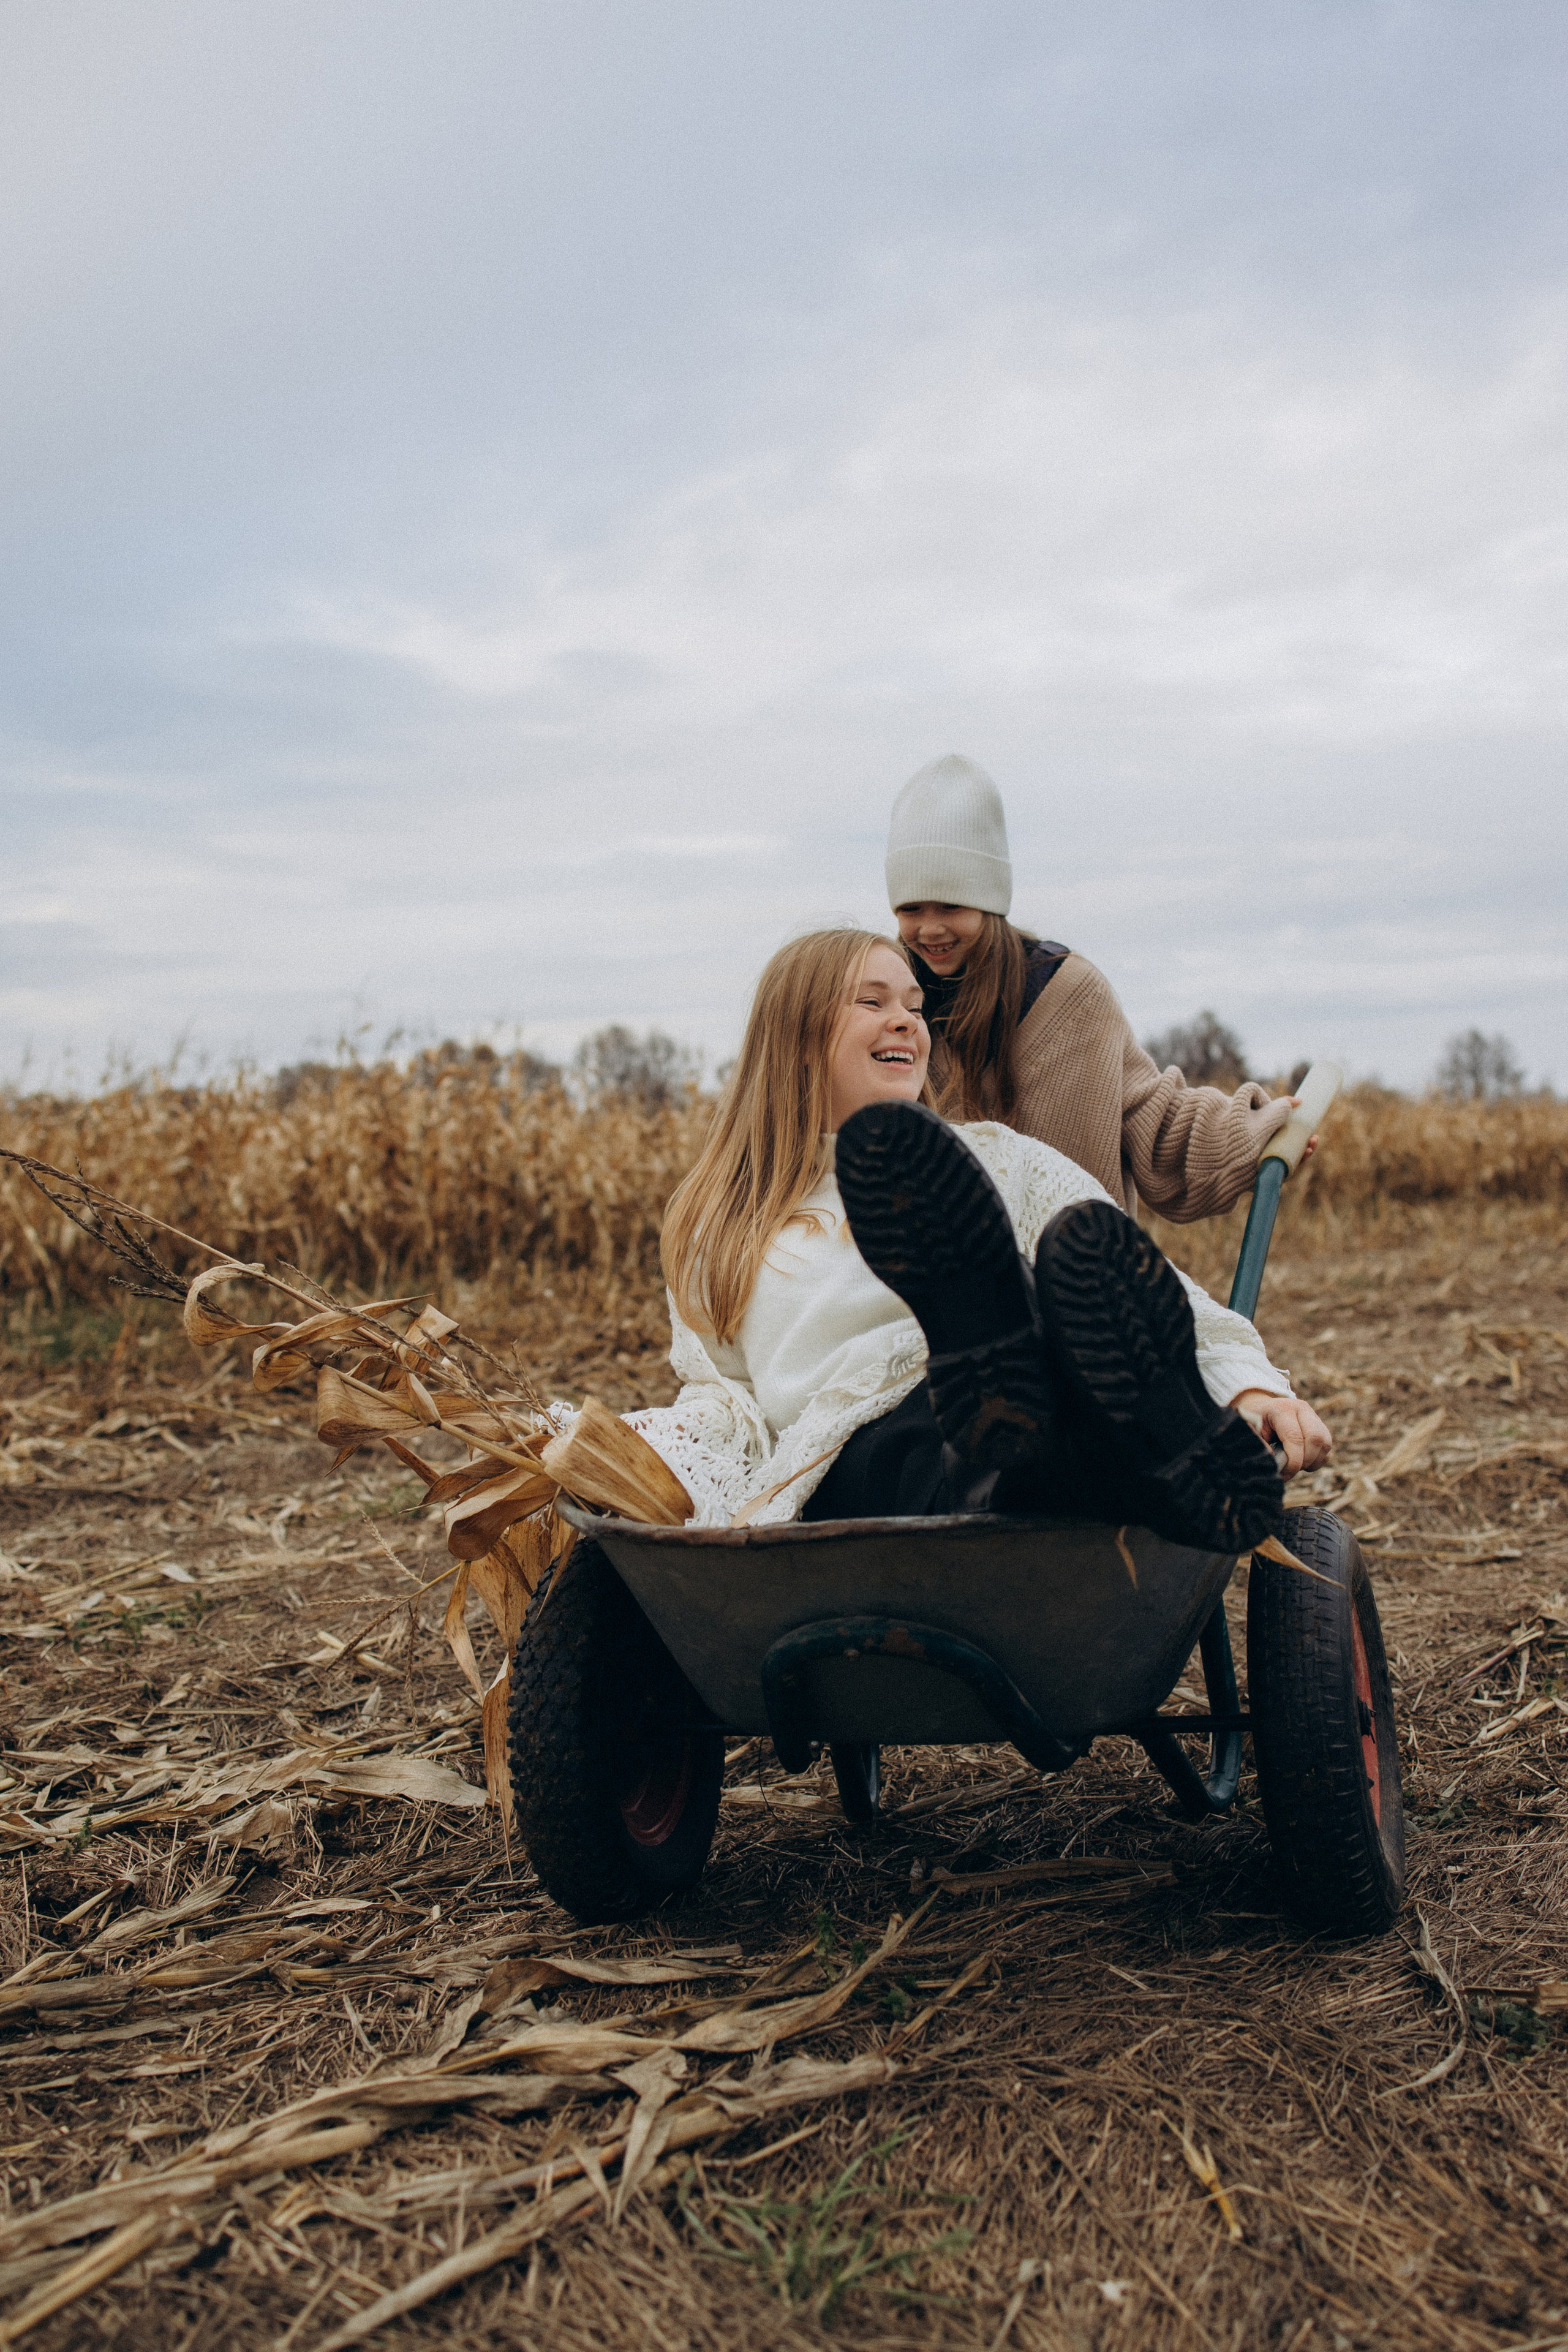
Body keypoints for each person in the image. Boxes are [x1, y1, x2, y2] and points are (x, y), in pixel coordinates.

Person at [626, 928, 1329, 1540]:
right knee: (951, 1440)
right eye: (872, 1002)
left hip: (1029, 1414)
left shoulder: (994, 1162)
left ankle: (1092, 1406)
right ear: (797, 1039)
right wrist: (641, 1448)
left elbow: (1149, 1297)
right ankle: (1099, 1444)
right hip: (856, 1466)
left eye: (915, 1007)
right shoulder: (726, 1216)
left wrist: (1248, 1389)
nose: (905, 1022)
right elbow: (726, 1400)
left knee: (1055, 1325)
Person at [886, 752, 1301, 1219]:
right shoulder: (891, 1006)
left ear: (989, 901)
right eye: (911, 909)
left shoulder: (1066, 994)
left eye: (950, 906)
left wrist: (1251, 1134)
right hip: (934, 1254)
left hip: (1073, 1254)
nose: (930, 929)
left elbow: (1148, 1115)